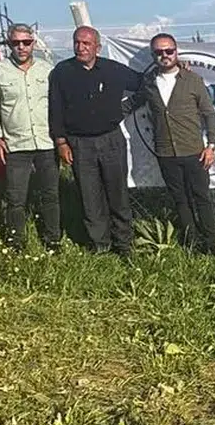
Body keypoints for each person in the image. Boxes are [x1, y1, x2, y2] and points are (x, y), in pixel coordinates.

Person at [48, 26, 148, 258]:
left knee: (118, 193)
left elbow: (145, 84)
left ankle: (124, 244)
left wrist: (126, 107)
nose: (80, 47)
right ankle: (100, 245)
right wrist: (61, 142)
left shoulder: (113, 70)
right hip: (79, 143)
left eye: (86, 44)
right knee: (89, 195)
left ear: (97, 47)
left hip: (111, 139)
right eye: (77, 43)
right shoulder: (62, 72)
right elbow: (55, 108)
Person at [143, 33, 215, 256]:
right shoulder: (148, 83)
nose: (165, 56)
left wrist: (212, 146)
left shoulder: (193, 80)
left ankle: (213, 244)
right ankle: (192, 243)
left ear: (176, 52)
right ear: (153, 55)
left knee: (202, 198)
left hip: (194, 151)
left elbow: (209, 114)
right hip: (166, 152)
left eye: (169, 51)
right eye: (159, 52)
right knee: (180, 200)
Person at [0, 22, 60, 252]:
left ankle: (52, 240)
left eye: (26, 42)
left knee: (51, 194)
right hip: (15, 143)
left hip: (46, 141)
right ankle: (15, 242)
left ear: (33, 43)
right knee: (15, 197)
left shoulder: (47, 70)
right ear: (9, 45)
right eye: (16, 43)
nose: (21, 47)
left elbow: (57, 105)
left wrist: (61, 138)